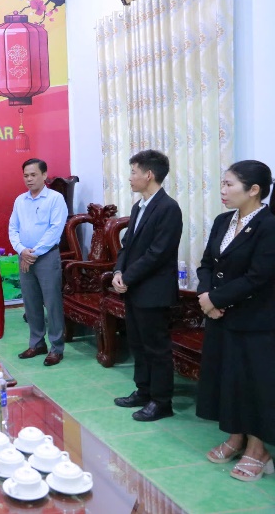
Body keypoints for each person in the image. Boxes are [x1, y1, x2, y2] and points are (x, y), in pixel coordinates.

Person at [195, 160, 275, 482]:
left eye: (229, 184)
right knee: (229, 379)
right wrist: (206, 296)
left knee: (254, 383)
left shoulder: (269, 225)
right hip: (220, 316)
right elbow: (206, 264)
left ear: (254, 190)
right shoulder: (223, 221)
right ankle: (235, 437)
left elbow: (258, 277)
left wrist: (216, 299)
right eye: (223, 183)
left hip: (256, 319)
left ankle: (258, 449)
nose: (223, 190)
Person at [112, 150, 182, 422]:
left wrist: (127, 277)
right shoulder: (139, 206)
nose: (130, 178)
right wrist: (118, 271)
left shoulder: (168, 208)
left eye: (133, 172)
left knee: (156, 348)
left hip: (153, 290)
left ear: (149, 175)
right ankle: (143, 391)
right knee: (137, 344)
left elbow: (158, 253)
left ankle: (162, 402)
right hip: (134, 288)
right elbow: (127, 246)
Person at [8, 158, 68, 366]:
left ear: (44, 175)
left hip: (46, 257)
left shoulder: (55, 199)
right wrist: (22, 250)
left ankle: (56, 348)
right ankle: (37, 343)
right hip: (25, 256)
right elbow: (13, 228)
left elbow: (55, 229)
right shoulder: (20, 200)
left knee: (52, 303)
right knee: (31, 302)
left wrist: (34, 253)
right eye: (26, 175)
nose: (29, 179)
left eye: (33, 175)